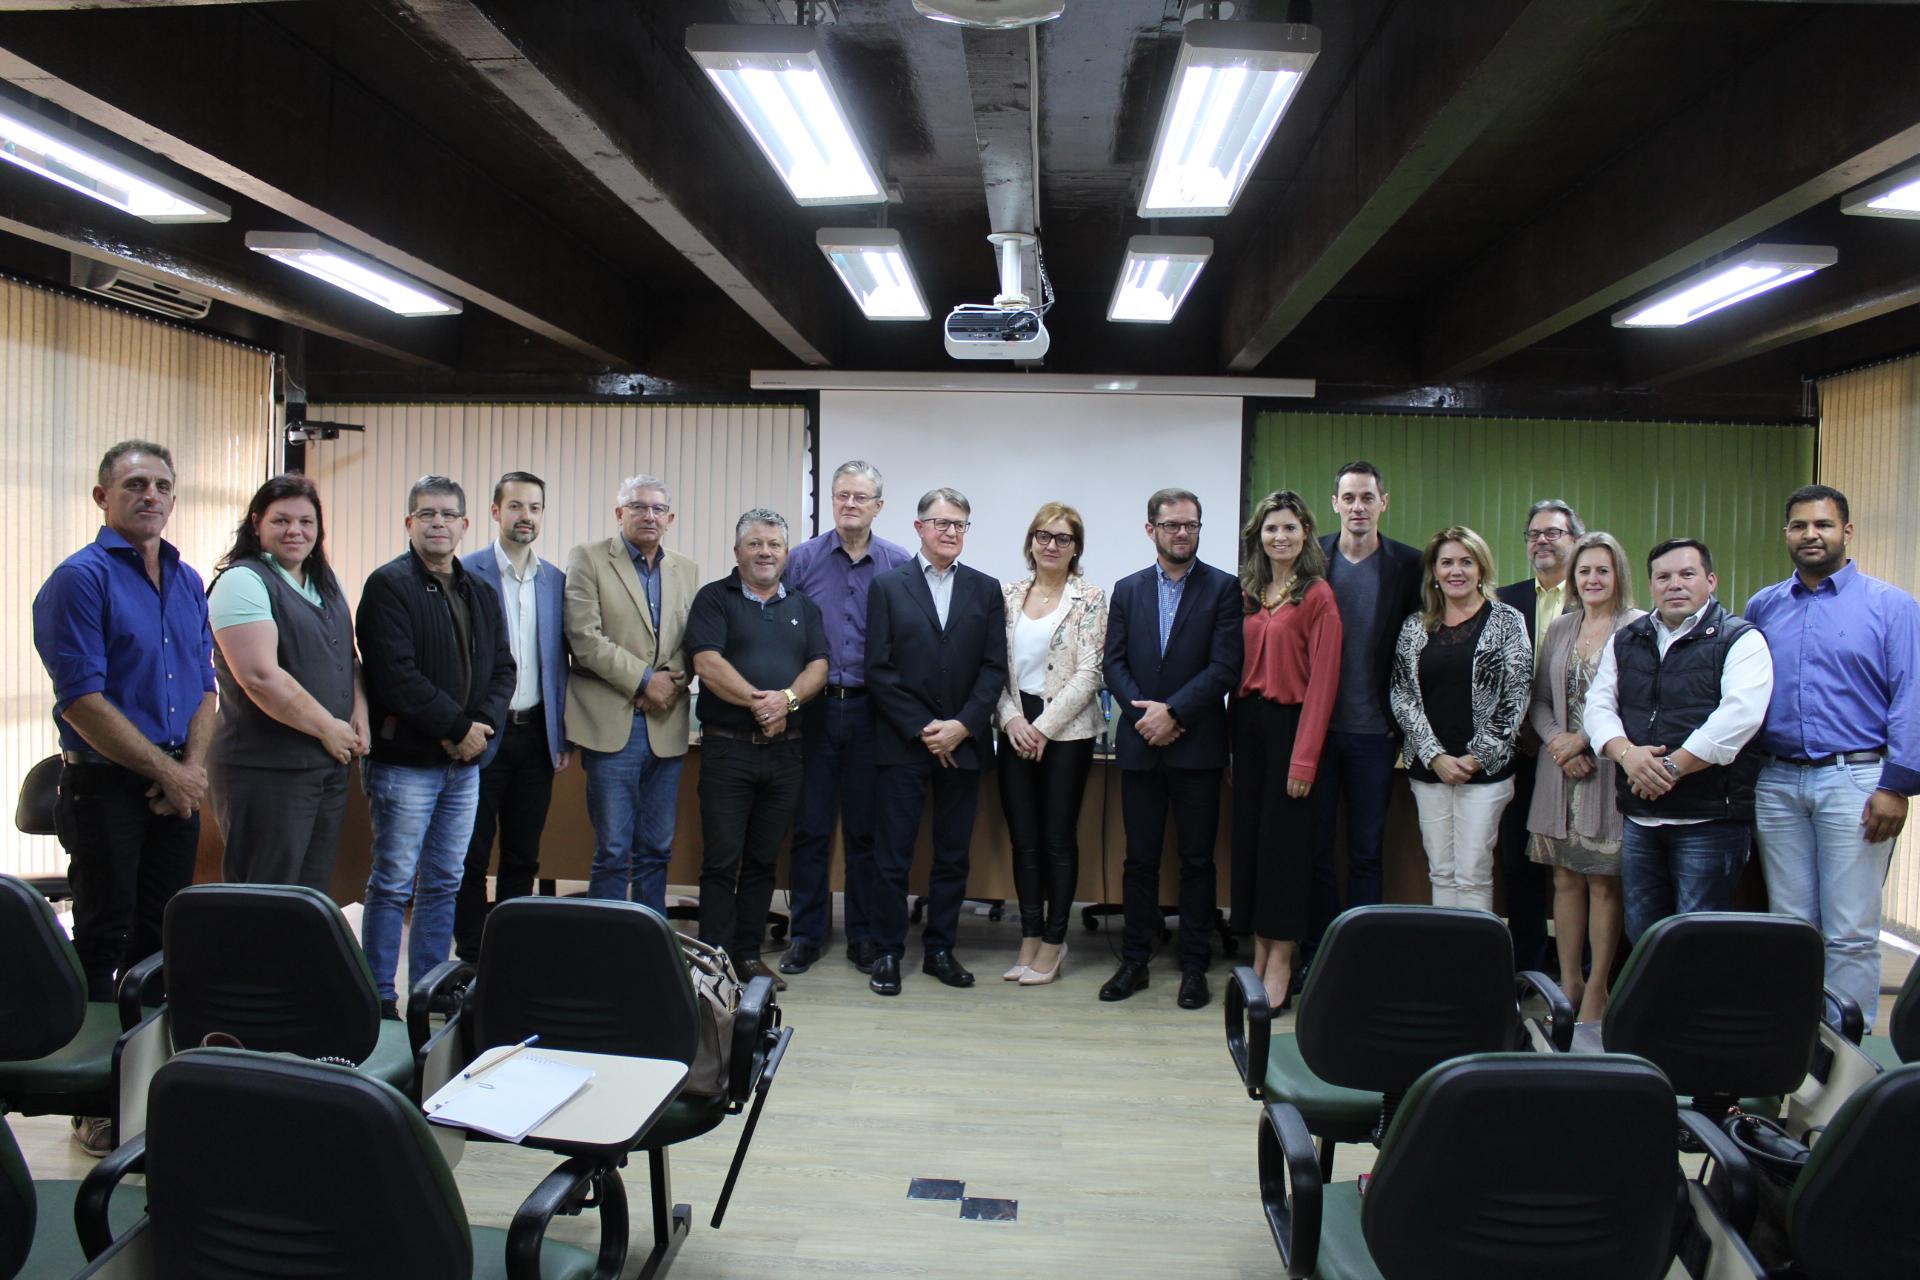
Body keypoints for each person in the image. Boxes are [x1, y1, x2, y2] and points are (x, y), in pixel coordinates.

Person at [33, 441, 216, 1157]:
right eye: (134, 484)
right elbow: (81, 700)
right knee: (105, 939)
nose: (151, 495)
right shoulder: (78, 580)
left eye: (163, 485)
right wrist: (166, 774)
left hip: (177, 780)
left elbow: (204, 683)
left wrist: (191, 769)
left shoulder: (187, 576)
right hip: (107, 783)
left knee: (164, 938)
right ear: (101, 497)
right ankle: (95, 1101)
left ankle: (151, 1091)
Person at [1748, 485, 1920, 1028]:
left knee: (1849, 930)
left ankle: (1843, 1059)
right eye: (1799, 526)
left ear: (1847, 531)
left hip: (1858, 782)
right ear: (1786, 536)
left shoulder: (1890, 606)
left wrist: (1896, 786)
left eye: (1822, 525)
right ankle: (1791, 1050)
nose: (1810, 535)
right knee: (1791, 926)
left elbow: (1912, 696)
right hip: (1776, 783)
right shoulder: (1764, 606)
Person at [355, 475, 516, 1017]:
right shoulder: (388, 586)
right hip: (406, 766)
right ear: (409, 524)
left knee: (446, 880)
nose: (439, 523)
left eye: (449, 515)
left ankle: (429, 988)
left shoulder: (479, 591)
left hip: (463, 766)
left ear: (466, 525)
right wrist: (458, 728)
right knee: (394, 881)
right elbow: (394, 677)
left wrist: (482, 728)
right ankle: (377, 993)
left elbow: (504, 670)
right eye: (427, 514)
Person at [1584, 539, 1774, 944]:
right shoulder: (1628, 639)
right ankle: (1655, 1011)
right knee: (1643, 935)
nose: (1675, 585)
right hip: (1641, 818)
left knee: (1699, 942)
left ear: (1710, 580)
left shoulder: (1740, 639)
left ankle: (1694, 1011)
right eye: (1663, 577)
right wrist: (1628, 755)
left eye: (1687, 574)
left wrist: (1672, 767)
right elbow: (1598, 706)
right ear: (1651, 585)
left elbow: (1739, 717)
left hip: (1709, 821)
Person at [1100, 488, 1243, 1010]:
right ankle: (1134, 960)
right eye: (1172, 525)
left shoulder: (1224, 589)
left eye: (1191, 525)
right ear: (1151, 530)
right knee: (1139, 860)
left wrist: (1175, 713)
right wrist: (1146, 716)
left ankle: (1193, 966)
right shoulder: (1128, 589)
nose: (1182, 533)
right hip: (1141, 745)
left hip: (1197, 747)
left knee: (1197, 861)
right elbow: (1112, 662)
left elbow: (1225, 666)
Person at [864, 488, 1007, 997]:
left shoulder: (986, 589)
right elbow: (878, 669)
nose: (951, 532)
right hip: (904, 744)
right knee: (893, 855)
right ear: (919, 527)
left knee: (952, 855)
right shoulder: (887, 586)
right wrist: (926, 728)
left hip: (964, 744)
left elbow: (994, 669)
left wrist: (963, 726)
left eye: (960, 525)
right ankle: (887, 951)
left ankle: (941, 949)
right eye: (942, 523)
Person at [779, 461, 912, 977]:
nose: (850, 504)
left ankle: (863, 935)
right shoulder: (803, 561)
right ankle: (807, 935)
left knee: (865, 832)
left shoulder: (899, 564)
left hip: (871, 712)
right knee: (810, 828)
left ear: (879, 505)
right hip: (812, 710)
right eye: (841, 495)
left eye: (861, 496)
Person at [687, 509, 828, 991]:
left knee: (764, 860)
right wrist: (760, 703)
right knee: (722, 860)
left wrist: (787, 700)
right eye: (755, 544)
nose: (765, 552)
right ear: (737, 552)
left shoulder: (804, 606)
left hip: (786, 755)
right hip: (729, 752)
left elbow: (819, 666)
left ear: (786, 554)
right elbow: (706, 662)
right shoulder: (713, 599)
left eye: (774, 545)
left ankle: (747, 957)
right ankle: (712, 961)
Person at [207, 473, 367, 892]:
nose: (295, 530)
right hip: (265, 771)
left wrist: (358, 712)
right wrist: (328, 728)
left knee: (309, 893)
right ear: (257, 523)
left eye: (306, 521)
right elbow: (260, 677)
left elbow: (347, 658)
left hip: (324, 766)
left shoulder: (324, 582)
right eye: (281, 520)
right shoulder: (242, 581)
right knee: (265, 894)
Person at [564, 474, 698, 911]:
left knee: (657, 848)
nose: (649, 515)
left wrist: (667, 683)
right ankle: (608, 942)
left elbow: (691, 641)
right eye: (638, 506)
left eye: (658, 509)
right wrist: (645, 680)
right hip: (611, 725)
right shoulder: (588, 559)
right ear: (619, 512)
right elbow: (584, 638)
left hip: (666, 723)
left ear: (670, 518)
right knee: (613, 849)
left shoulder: (685, 569)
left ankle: (649, 939)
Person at [1524, 532, 1643, 1023]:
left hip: (1608, 769)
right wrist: (1557, 741)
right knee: (1564, 879)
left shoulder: (1638, 627)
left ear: (1619, 576)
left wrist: (1587, 742)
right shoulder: (1561, 627)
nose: (1592, 579)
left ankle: (1597, 987)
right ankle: (1568, 981)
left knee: (1603, 884)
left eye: (1602, 570)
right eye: (1584, 571)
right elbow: (1539, 700)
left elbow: (1641, 704)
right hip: (1558, 773)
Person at [453, 472, 571, 962]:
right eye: (516, 506)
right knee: (472, 854)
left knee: (523, 853)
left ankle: (512, 950)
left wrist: (560, 733)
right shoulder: (466, 572)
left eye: (536, 508)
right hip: (483, 736)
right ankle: (472, 950)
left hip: (536, 736)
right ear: (495, 512)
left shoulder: (555, 580)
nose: (526, 516)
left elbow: (559, 663)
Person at [1231, 491, 1342, 1010]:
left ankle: (1283, 957)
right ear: (1259, 535)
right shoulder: (1249, 593)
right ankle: (1259, 947)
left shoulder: (1317, 595)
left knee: (1286, 850)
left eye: (1291, 529)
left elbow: (1323, 682)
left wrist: (1304, 759)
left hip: (1293, 726)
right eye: (1272, 528)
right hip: (1247, 724)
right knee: (1252, 843)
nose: (1281, 537)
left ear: (1305, 537)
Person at [1311, 462, 1423, 953]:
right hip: (1315, 734)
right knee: (1316, 851)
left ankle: (1360, 954)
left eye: (1367, 498)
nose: (1358, 507)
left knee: (1365, 853)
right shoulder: (1311, 560)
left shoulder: (1409, 565)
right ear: (1334, 503)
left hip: (1375, 735)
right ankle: (1316, 951)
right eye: (1349, 498)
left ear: (1384, 502)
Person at [1389, 527, 1532, 911]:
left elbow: (1515, 696)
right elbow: (1402, 696)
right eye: (1447, 562)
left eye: (1466, 562)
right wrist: (1435, 756)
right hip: (1429, 768)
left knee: (1472, 872)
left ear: (1481, 569)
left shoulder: (1507, 621)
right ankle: (1446, 963)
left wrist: (1474, 758)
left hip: (1484, 773)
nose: (1456, 571)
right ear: (1434, 572)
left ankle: (1473, 967)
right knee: (1440, 872)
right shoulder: (1415, 626)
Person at [995, 503, 1107, 986]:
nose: (1051, 545)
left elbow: (1090, 672)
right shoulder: (1008, 595)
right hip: (1015, 724)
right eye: (1043, 535)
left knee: (1057, 840)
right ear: (1031, 541)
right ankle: (1030, 935)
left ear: (1076, 547)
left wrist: (1042, 728)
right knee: (1024, 841)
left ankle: (1055, 942)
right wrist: (1013, 719)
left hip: (1067, 732)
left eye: (1062, 538)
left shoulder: (1091, 597)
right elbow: (992, 669)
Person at [1494, 499, 1583, 969]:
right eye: (1534, 534)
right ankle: (1526, 964)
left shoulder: (1595, 596)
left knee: (1580, 867)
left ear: (1575, 540)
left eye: (1554, 532)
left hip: (1581, 757)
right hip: (1520, 754)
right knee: (1517, 863)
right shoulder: (1504, 601)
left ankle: (1582, 966)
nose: (1542, 541)